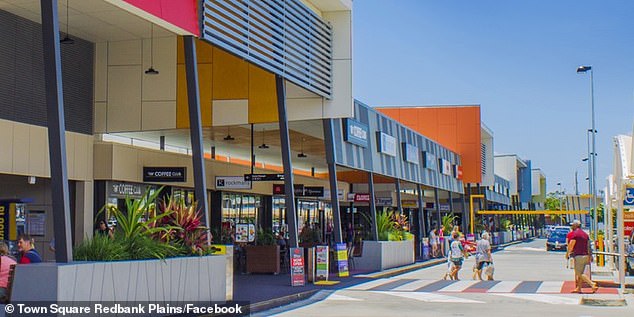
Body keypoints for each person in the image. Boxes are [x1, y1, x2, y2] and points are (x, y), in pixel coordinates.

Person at [566, 220, 598, 293]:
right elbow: (588, 246)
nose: (571, 227)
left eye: (572, 225)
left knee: (578, 273)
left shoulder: (575, 234)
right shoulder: (585, 234)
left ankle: (592, 284)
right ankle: (579, 288)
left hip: (579, 256)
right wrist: (590, 255)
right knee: (581, 273)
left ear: (576, 225)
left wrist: (567, 254)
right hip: (586, 255)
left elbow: (571, 245)